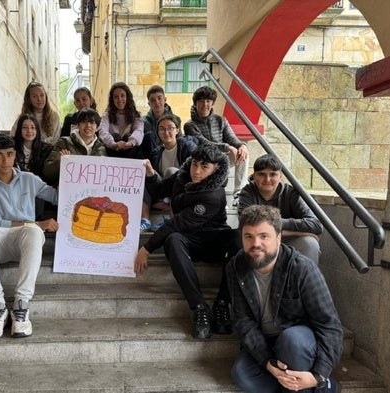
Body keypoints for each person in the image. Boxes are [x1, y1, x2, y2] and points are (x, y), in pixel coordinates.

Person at [227, 205, 342, 393]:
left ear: (278, 238)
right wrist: (267, 362)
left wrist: (319, 375)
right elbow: (243, 321)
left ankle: (323, 385)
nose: (256, 243)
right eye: (249, 236)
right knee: (242, 376)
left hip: (298, 340)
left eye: (264, 236)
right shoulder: (235, 267)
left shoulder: (301, 269)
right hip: (265, 341)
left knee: (292, 340)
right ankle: (297, 388)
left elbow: (329, 326)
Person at [134, 144, 242, 340]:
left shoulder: (214, 194)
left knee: (238, 239)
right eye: (194, 164)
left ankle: (223, 303)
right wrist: (150, 174)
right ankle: (199, 307)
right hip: (189, 240)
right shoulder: (182, 176)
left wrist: (146, 248)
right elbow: (159, 189)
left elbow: (177, 222)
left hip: (213, 239)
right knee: (173, 240)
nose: (197, 171)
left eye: (204, 167)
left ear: (216, 169)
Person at [0, 133, 59, 339]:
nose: (5, 161)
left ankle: (21, 307)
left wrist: (72, 171)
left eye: (9, 154)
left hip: (26, 242)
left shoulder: (29, 179)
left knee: (34, 231)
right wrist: (39, 223)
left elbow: (56, 196)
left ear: (15, 155)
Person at [237, 154, 323, 263]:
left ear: (280, 176)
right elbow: (245, 224)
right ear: (254, 176)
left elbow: (316, 225)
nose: (267, 179)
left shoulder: (292, 193)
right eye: (261, 174)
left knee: (310, 243)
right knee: (238, 240)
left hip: (286, 240)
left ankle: (306, 279)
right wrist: (298, 232)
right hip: (258, 239)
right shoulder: (247, 192)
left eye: (272, 174)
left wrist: (271, 225)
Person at [183, 86, 249, 205]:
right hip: (203, 162)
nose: (205, 104)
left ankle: (239, 193)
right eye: (201, 101)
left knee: (243, 153)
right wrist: (227, 147)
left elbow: (232, 139)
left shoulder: (221, 120)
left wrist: (242, 146)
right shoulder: (190, 125)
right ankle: (218, 198)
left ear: (213, 103)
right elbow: (204, 143)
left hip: (221, 158)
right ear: (195, 104)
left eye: (208, 101)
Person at [140, 114, 197, 231]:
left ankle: (171, 218)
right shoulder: (156, 153)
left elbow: (193, 172)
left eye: (170, 128)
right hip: (162, 191)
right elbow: (154, 183)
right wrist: (155, 202)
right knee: (146, 172)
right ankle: (145, 220)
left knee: (172, 171)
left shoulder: (188, 147)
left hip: (183, 191)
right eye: (162, 129)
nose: (166, 132)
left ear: (177, 130)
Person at [43, 108, 107, 186]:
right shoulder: (64, 142)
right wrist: (59, 162)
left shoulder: (101, 148)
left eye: (92, 122)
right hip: (67, 193)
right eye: (84, 122)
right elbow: (47, 172)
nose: (88, 125)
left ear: (97, 128)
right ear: (78, 125)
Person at [98, 82, 144, 159]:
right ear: (112, 100)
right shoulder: (107, 115)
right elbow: (102, 131)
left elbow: (139, 130)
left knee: (128, 136)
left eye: (122, 96)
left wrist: (130, 143)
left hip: (130, 149)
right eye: (116, 97)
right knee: (115, 136)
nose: (119, 99)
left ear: (127, 97)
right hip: (113, 150)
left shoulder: (135, 115)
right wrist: (113, 144)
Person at [13, 113, 53, 181]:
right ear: (19, 129)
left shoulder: (47, 149)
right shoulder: (12, 147)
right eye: (24, 127)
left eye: (32, 127)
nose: (29, 131)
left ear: (37, 130)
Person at [141, 85, 176, 158]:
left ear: (165, 100)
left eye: (159, 98)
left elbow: (179, 140)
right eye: (153, 100)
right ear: (149, 104)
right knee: (149, 136)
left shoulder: (175, 120)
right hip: (152, 159)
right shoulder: (143, 122)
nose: (157, 102)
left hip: (171, 155)